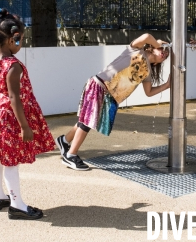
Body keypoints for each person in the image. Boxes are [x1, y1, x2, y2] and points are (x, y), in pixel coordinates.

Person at [0, 8, 55, 220]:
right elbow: (15, 98)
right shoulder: (14, 66)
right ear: (14, 39)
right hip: (10, 118)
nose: (23, 43)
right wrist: (25, 126)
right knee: (11, 162)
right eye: (22, 39)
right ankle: (17, 205)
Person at [55, 33, 171, 171]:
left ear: (159, 63)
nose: (164, 53)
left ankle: (64, 140)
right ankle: (71, 155)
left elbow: (149, 92)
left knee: (86, 119)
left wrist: (167, 85)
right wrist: (157, 43)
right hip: (99, 84)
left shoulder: (148, 72)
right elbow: (146, 36)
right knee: (87, 122)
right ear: (152, 47)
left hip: (107, 94)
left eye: (166, 54)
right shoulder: (136, 50)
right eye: (162, 49)